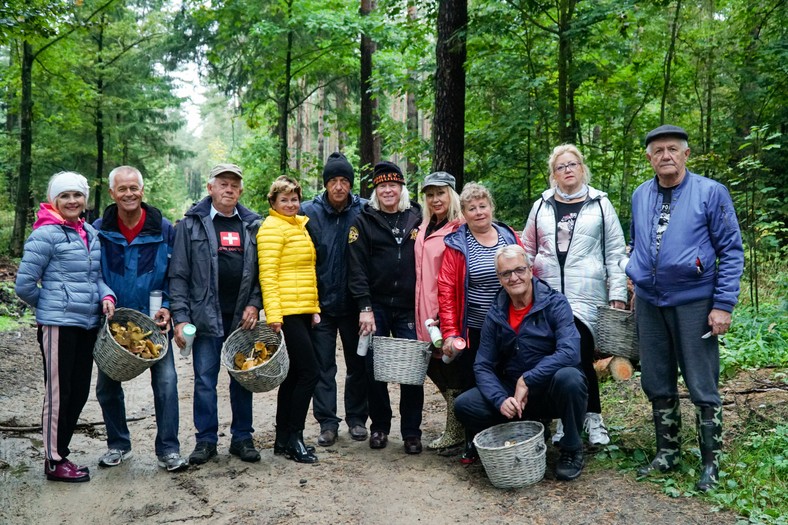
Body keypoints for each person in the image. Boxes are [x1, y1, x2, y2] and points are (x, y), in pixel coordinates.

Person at [627, 125, 744, 492]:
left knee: (701, 382)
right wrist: (635, 279)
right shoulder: (640, 195)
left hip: (695, 301)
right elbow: (637, 241)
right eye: (658, 150)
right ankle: (668, 453)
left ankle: (710, 462)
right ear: (649, 158)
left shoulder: (711, 193)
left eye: (673, 149)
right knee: (656, 380)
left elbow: (732, 251)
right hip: (650, 301)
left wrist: (722, 305)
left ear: (686, 154)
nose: (666, 156)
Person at [454, 245, 588, 481]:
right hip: (513, 395)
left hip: (549, 389)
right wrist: (499, 399)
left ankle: (572, 448)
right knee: (465, 404)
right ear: (499, 278)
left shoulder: (555, 303)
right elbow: (482, 365)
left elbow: (570, 352)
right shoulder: (496, 312)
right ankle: (524, 430)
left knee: (571, 378)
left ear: (530, 270)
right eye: (506, 273)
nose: (514, 277)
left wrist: (528, 379)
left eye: (519, 270)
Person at [522, 144, 627, 446]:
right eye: (560, 166)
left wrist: (617, 293)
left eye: (573, 164)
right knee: (556, 354)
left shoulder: (600, 203)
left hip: (587, 295)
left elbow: (616, 252)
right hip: (548, 294)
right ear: (553, 174)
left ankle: (590, 418)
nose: (567, 170)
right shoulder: (541, 205)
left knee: (578, 351)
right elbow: (528, 250)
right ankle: (569, 418)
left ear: (582, 168)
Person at [15, 171, 116, 483]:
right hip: (59, 326)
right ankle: (53, 460)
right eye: (65, 196)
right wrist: (51, 306)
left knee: (79, 392)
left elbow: (95, 278)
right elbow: (24, 284)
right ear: (54, 200)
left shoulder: (89, 233)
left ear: (84, 199)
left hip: (87, 324)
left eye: (77, 195)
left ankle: (61, 451)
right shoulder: (45, 234)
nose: (72, 201)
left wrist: (106, 295)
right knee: (59, 395)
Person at [93, 166, 187, 472]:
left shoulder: (164, 229)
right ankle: (118, 444)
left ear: (142, 190)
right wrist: (105, 297)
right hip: (114, 324)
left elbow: (177, 274)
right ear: (112, 194)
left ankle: (168, 449)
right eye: (122, 189)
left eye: (134, 188)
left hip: (154, 322)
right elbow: (91, 274)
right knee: (107, 386)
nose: (129, 194)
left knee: (167, 382)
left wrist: (170, 306)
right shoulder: (99, 229)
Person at [169, 163, 263, 465]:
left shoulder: (252, 225)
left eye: (235, 184)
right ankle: (206, 440)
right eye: (223, 184)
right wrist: (180, 318)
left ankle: (242, 438)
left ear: (241, 190)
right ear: (210, 188)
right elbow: (179, 275)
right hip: (205, 318)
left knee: (242, 378)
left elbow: (263, 274)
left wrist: (254, 304)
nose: (229, 189)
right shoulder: (190, 225)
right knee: (205, 381)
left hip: (241, 320)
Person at [437, 182, 522, 461]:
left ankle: (509, 437)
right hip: (472, 329)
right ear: (463, 213)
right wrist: (450, 332)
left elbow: (525, 277)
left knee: (508, 378)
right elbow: (447, 290)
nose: (478, 212)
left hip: (509, 326)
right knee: (475, 384)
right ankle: (473, 441)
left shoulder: (509, 237)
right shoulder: (457, 244)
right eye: (471, 208)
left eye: (482, 206)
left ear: (491, 207)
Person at [347, 161, 424, 454]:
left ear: (401, 187)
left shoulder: (417, 216)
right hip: (375, 306)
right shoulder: (363, 220)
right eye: (382, 186)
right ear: (375, 190)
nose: (388, 190)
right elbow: (356, 269)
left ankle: (411, 432)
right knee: (373, 368)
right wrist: (364, 307)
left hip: (408, 306)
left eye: (393, 184)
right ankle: (379, 427)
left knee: (412, 370)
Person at [300, 153, 369, 447]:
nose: (339, 186)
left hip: (355, 305)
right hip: (321, 305)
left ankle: (356, 419)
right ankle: (327, 422)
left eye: (344, 181)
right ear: (326, 184)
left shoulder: (365, 210)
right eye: (333, 181)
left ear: (351, 184)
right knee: (322, 366)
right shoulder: (308, 213)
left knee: (359, 365)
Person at [258, 175, 321, 463]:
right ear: (273, 202)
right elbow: (268, 276)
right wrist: (274, 315)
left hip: (302, 310)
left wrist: (314, 308)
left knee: (294, 375)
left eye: (294, 198)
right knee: (310, 373)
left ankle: (283, 439)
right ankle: (295, 436)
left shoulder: (298, 226)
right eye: (284, 199)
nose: (290, 203)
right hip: (286, 313)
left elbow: (306, 272)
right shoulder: (271, 228)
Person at [414, 172, 464, 450]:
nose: (435, 199)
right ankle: (461, 423)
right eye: (430, 194)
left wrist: (449, 318)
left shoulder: (458, 229)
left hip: (446, 311)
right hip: (423, 313)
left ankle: (456, 430)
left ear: (452, 195)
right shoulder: (423, 226)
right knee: (433, 365)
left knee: (451, 368)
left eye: (440, 193)